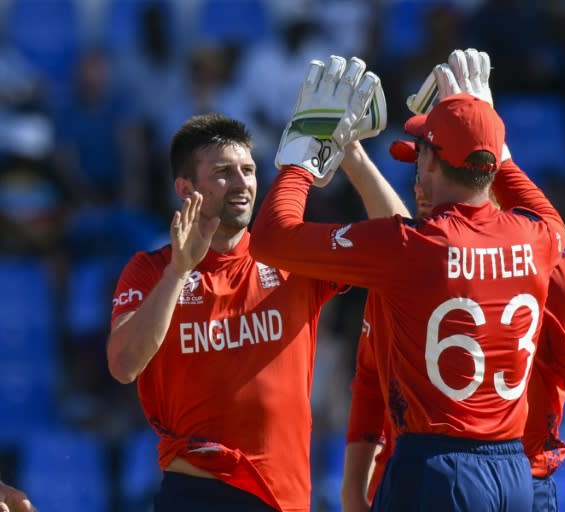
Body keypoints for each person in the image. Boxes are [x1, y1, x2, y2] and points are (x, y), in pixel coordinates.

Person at [250, 54, 565, 510]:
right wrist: (487, 131)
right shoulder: (539, 238)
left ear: (435, 164)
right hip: (513, 472)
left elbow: (272, 238)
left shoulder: (409, 245)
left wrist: (305, 147)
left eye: (421, 156)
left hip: (437, 471)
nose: (415, 173)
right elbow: (543, 213)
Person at [339, 50, 565, 512]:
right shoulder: (405, 266)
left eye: (435, 165)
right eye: (420, 166)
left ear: (479, 172)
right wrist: (353, 491)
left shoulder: (553, 269)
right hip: (411, 478)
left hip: (521, 483)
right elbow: (370, 381)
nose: (421, 183)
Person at [106, 90, 405, 511]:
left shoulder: (290, 255)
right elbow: (123, 365)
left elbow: (405, 247)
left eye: (248, 169)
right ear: (184, 187)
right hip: (201, 489)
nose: (243, 182)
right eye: (224, 172)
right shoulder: (151, 269)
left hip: (286, 497)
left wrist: (350, 152)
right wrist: (179, 270)